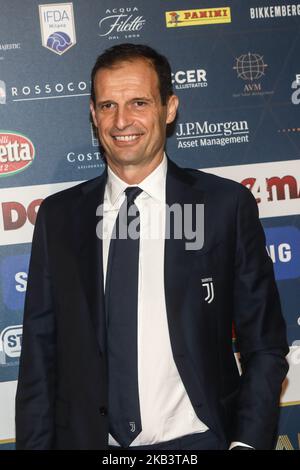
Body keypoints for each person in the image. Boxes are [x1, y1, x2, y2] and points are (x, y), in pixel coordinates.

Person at [15, 43, 289, 450]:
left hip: (199, 441)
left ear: (170, 107)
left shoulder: (223, 206)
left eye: (139, 102)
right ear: (93, 114)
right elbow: (39, 354)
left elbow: (264, 344)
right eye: (107, 105)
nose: (122, 120)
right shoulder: (59, 217)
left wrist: (247, 444)